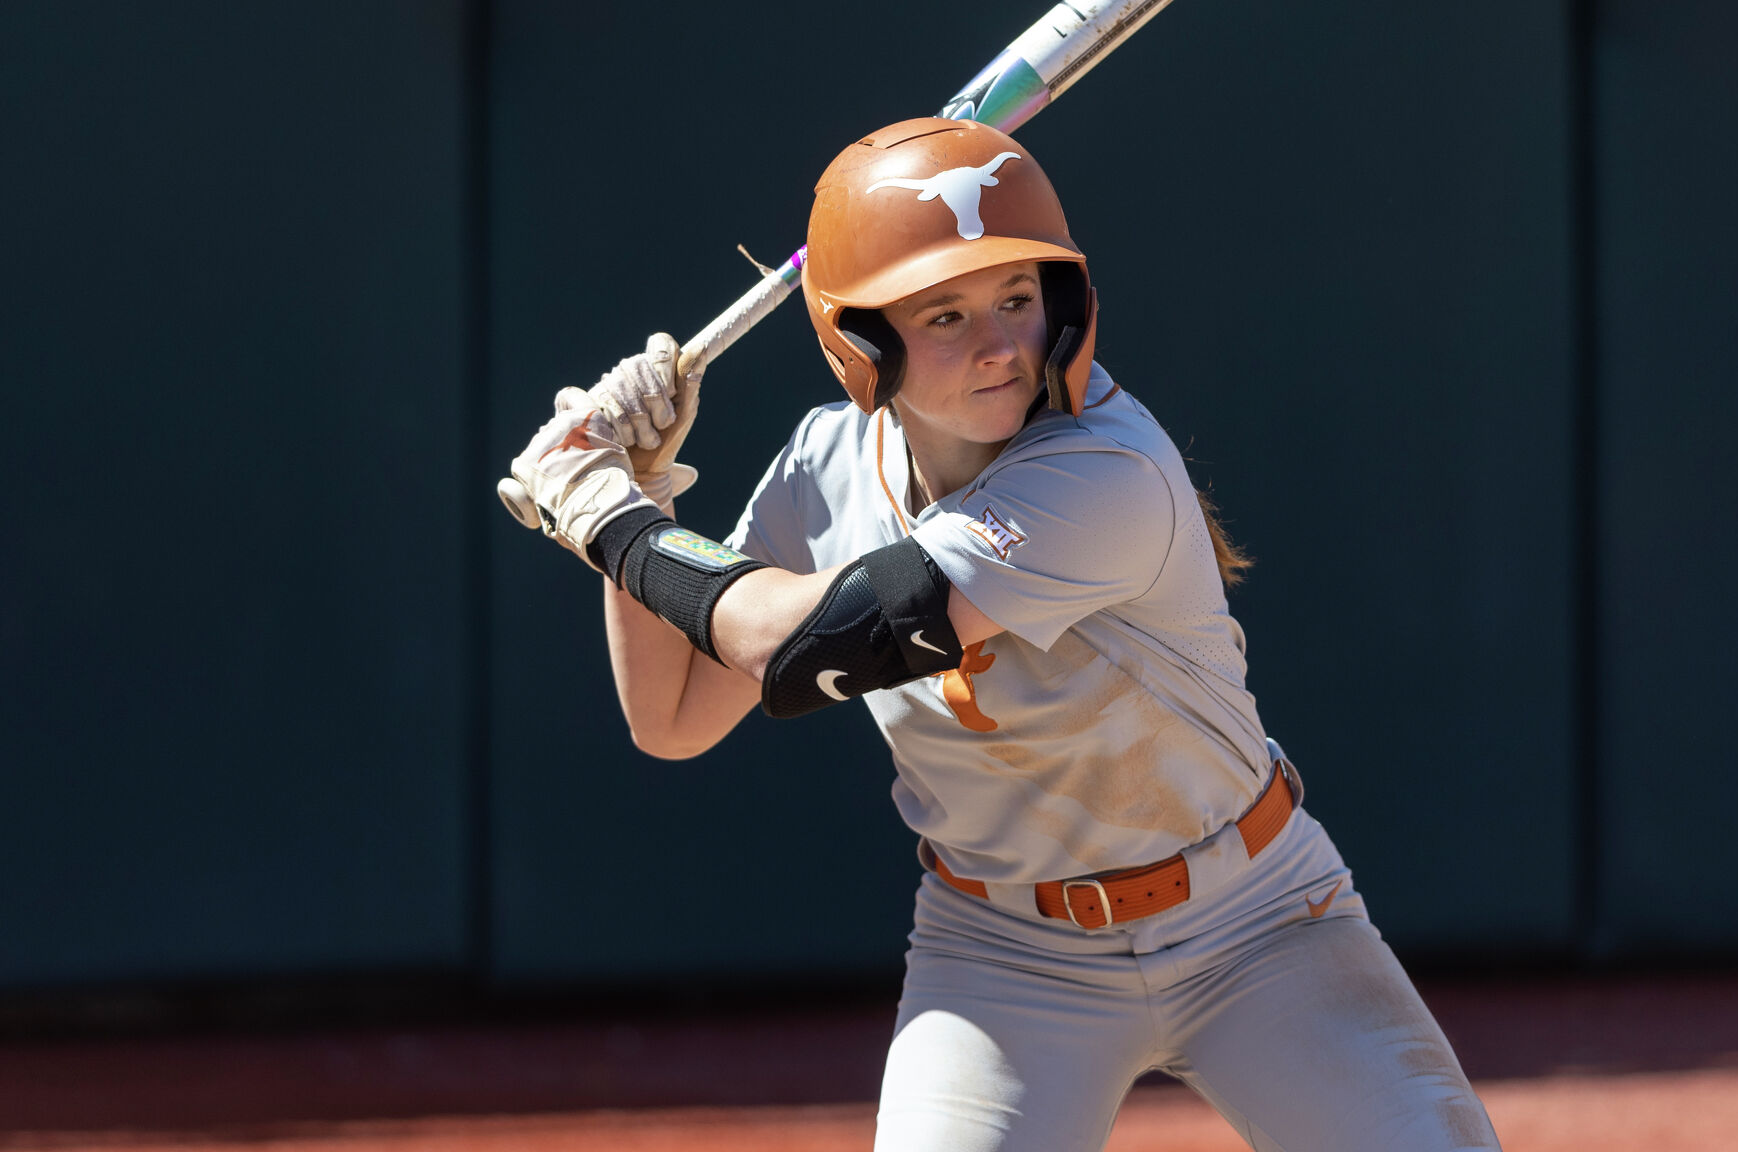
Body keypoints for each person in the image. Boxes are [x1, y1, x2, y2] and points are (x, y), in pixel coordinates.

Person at [507, 117, 1500, 1152]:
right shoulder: (824, 469)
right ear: (860, 341)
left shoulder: (1106, 470)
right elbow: (672, 716)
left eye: (1017, 299)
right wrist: (643, 496)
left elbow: (812, 639)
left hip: (1250, 922)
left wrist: (610, 521)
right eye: (943, 313)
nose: (997, 346)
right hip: (1002, 954)